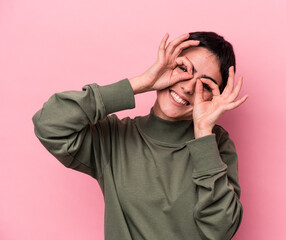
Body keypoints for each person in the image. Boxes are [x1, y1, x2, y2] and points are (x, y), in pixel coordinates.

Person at [33, 31, 248, 240]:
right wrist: (141, 83)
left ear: (216, 97)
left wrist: (203, 135)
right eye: (182, 68)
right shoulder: (113, 138)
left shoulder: (215, 144)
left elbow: (221, 231)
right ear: (165, 66)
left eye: (204, 84)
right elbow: (49, 124)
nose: (189, 87)